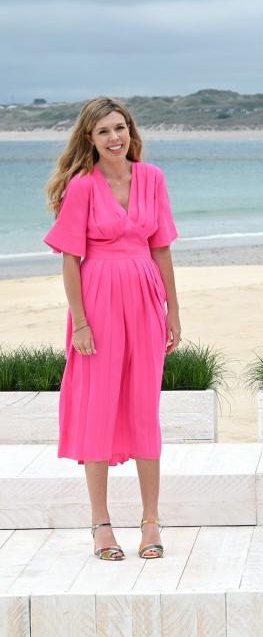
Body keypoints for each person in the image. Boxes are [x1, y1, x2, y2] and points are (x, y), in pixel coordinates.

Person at [44, 97, 180, 560]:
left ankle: (151, 520)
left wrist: (173, 312)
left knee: (144, 407)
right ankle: (101, 523)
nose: (114, 138)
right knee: (98, 408)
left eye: (119, 128)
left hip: (144, 299)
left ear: (130, 130)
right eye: (103, 131)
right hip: (97, 300)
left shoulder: (153, 178)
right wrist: (80, 323)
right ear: (90, 138)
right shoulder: (82, 186)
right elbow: (70, 259)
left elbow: (161, 249)